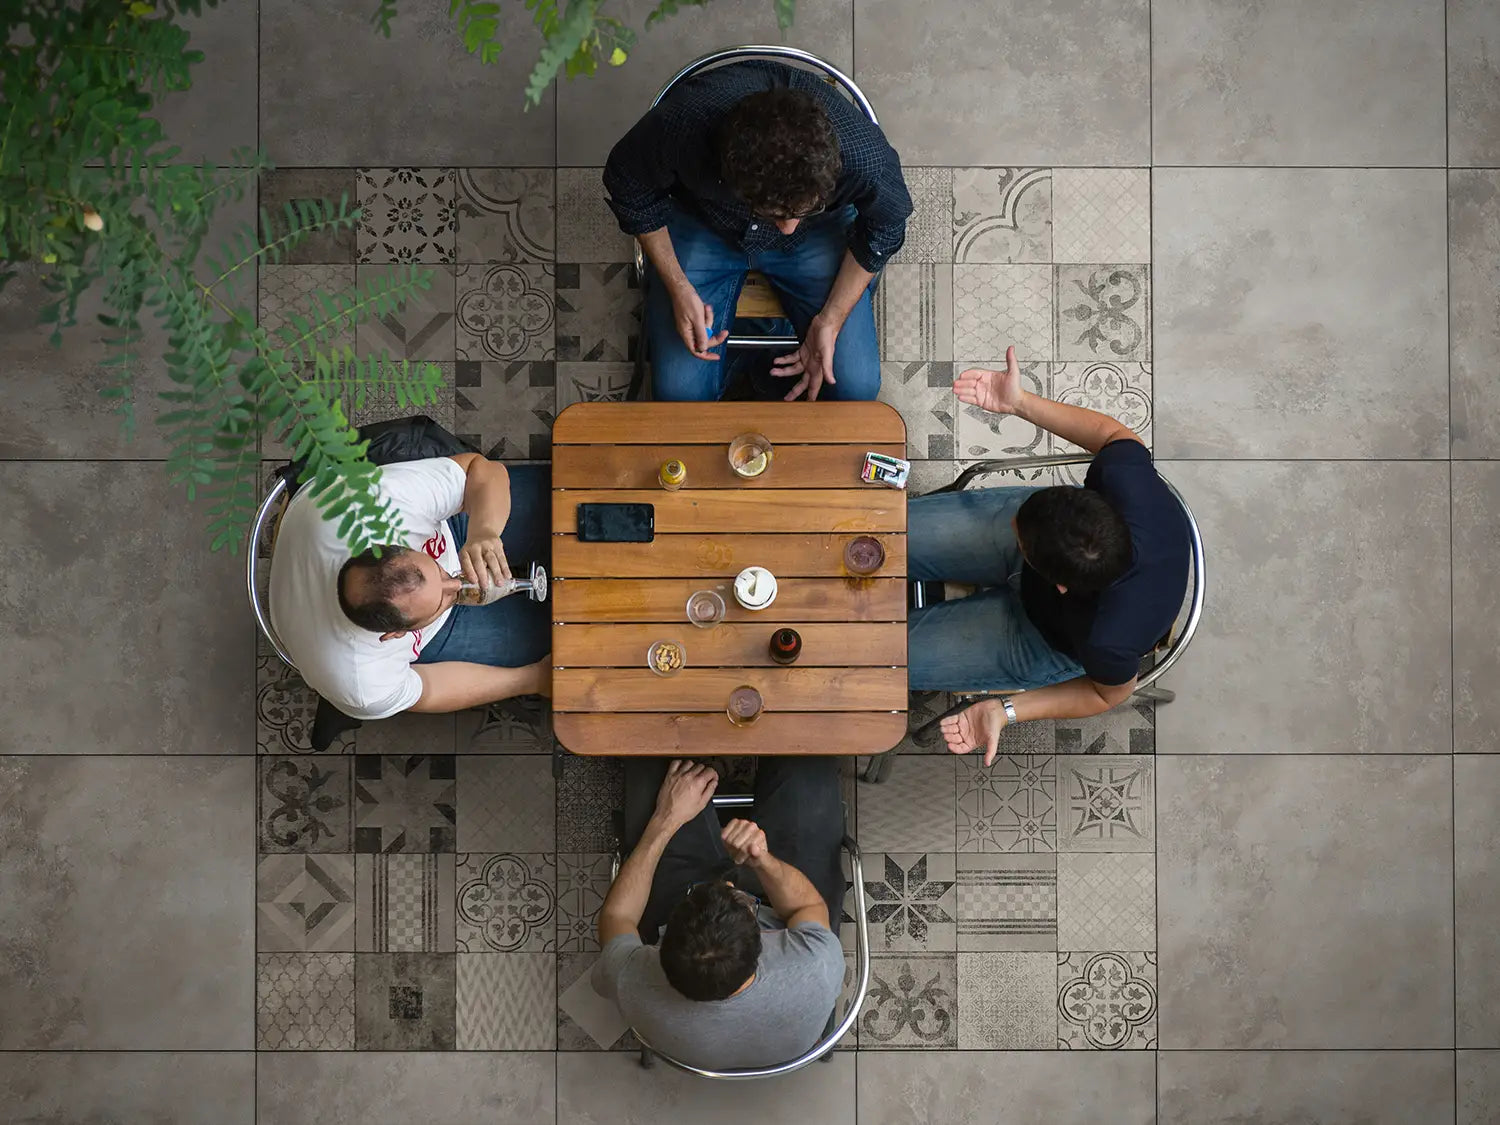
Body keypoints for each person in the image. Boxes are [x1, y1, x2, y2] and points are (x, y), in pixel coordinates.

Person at [908, 346, 1190, 764]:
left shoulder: (1110, 641)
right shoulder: (1127, 486)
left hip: (1041, 639)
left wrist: (1006, 710)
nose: (1010, 527)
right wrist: (1019, 402)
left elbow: (1105, 692)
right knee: (876, 534)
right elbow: (1115, 437)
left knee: (874, 653)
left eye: (1018, 539)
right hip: (1058, 544)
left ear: (1058, 584)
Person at [603, 58, 913, 403]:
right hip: (704, 221)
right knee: (679, 393)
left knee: (856, 387)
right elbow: (628, 184)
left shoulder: (863, 157)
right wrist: (677, 286)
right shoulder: (682, 126)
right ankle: (743, 359)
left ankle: (759, 349)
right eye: (774, 214)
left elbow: (885, 227)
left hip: (817, 235)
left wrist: (831, 318)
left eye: (801, 209)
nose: (786, 228)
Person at [593, 758, 847, 1069]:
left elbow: (617, 917)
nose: (728, 882)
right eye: (738, 898)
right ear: (763, 944)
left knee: (651, 765)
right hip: (775, 900)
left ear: (660, 949)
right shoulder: (814, 968)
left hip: (683, 890)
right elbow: (808, 907)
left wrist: (666, 819)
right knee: (808, 764)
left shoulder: (634, 983)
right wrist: (762, 860)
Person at [268, 453, 550, 721]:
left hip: (448, 531)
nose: (461, 581)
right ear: (395, 635)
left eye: (436, 569)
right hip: (426, 635)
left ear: (389, 545)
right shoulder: (361, 681)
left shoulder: (369, 506)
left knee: (566, 497)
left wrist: (484, 531)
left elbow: (482, 470)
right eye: (442, 600)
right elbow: (427, 689)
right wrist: (533, 679)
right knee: (563, 645)